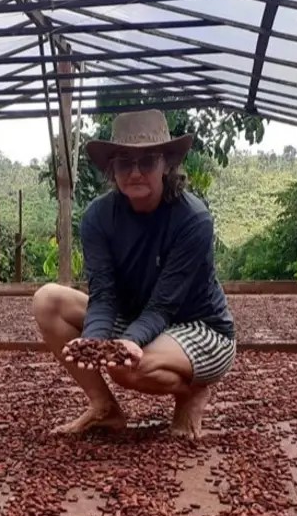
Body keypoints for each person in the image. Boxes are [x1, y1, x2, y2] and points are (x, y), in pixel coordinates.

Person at [33, 109, 236, 440]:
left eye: (148, 162)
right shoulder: (98, 217)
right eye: (125, 163)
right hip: (138, 317)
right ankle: (105, 408)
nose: (136, 172)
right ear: (112, 170)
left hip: (200, 327)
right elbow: (104, 295)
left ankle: (191, 391)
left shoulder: (193, 219)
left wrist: (126, 343)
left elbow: (164, 306)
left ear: (166, 165)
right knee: (47, 301)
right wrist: (92, 340)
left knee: (123, 366)